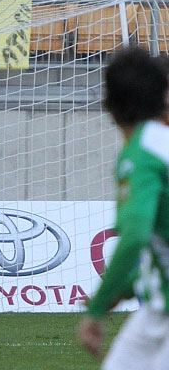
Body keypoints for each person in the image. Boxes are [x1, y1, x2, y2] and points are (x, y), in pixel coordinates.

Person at [78, 47, 169, 369]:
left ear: (109, 103)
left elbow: (133, 237)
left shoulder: (142, 154)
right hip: (156, 310)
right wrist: (127, 288)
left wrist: (97, 307)